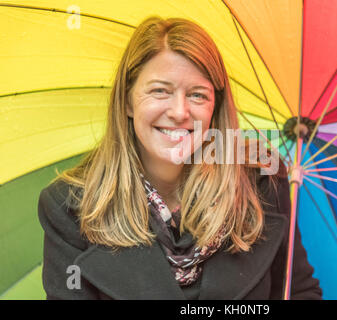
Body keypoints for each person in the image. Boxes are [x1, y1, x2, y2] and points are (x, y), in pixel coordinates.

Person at [37, 16, 322, 300]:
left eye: (198, 95)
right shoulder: (71, 207)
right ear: (127, 101)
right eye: (160, 91)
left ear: (215, 106)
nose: (179, 112)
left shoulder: (261, 180)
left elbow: (298, 291)